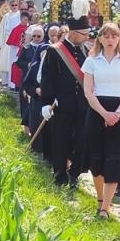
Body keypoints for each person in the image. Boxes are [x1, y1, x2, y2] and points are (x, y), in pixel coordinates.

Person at [82, 23, 120, 219]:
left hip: (119, 110)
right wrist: (105, 114)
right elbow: (88, 91)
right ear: (100, 39)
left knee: (114, 158)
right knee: (96, 156)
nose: (110, 40)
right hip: (97, 109)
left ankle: (106, 206)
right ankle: (99, 199)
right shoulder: (92, 61)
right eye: (106, 36)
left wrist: (118, 112)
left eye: (114, 36)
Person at [38, 15, 92, 186]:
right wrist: (46, 101)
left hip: (82, 104)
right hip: (61, 103)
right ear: (74, 33)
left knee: (81, 140)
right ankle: (60, 174)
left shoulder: (86, 50)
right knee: (61, 139)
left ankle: (75, 173)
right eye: (83, 34)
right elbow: (48, 77)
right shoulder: (55, 50)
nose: (86, 37)